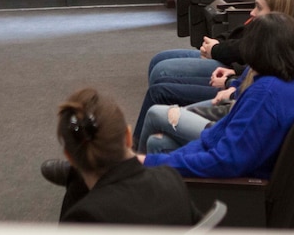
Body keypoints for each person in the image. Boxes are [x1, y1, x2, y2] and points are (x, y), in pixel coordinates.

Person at [138, 0, 294, 152]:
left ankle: (130, 163)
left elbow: (231, 150)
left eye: (258, 7)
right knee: (159, 139)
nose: (252, 13)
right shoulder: (284, 61)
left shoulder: (272, 83)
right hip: (234, 118)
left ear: (278, 15)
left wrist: (232, 84)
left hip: (232, 130)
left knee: (158, 111)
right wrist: (233, 83)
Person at [139, 12, 294, 179]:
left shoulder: (265, 94)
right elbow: (217, 138)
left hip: (237, 188)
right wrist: (156, 161)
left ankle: (136, 186)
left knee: (156, 124)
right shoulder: (285, 84)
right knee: (157, 143)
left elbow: (225, 161)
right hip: (243, 166)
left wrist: (151, 162)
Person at [52, 88, 199, 225]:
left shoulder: (85, 218)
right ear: (128, 137)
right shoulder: (170, 180)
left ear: (69, 157)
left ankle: (74, 176)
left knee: (76, 184)